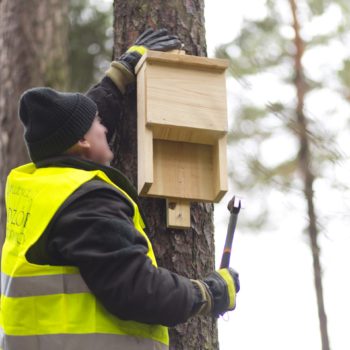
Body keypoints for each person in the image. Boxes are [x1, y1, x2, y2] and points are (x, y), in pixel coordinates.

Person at [0, 28, 240, 350]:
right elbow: (136, 287)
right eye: (98, 123)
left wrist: (120, 74)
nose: (104, 127)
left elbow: (76, 125)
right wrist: (207, 294)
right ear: (82, 142)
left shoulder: (40, 185)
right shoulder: (88, 202)